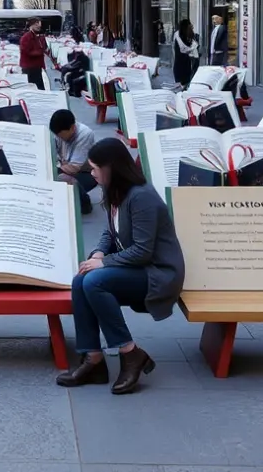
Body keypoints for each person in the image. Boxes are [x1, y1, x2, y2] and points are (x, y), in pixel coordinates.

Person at [57, 138, 185, 394]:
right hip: (137, 266)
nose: (91, 173)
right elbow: (111, 231)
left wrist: (103, 263)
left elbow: (142, 251)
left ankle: (130, 353)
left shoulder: (142, 197)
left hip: (158, 272)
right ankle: (92, 357)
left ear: (111, 168)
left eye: (94, 168)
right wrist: (98, 253)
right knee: (81, 279)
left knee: (95, 281)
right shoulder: (117, 190)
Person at [49, 109, 97, 214]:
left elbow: (73, 168)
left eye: (61, 136)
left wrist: (55, 168)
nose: (59, 138)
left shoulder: (85, 134)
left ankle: (84, 202)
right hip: (64, 168)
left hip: (87, 174)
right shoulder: (56, 133)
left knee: (61, 177)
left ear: (72, 128)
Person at [19, 18, 48, 90]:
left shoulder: (38, 37)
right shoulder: (26, 37)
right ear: (31, 26)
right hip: (30, 68)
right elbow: (26, 51)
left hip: (36, 67)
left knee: (39, 88)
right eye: (36, 24)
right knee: (33, 89)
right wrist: (40, 52)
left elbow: (44, 48)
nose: (38, 26)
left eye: (39, 24)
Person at [172, 19, 199, 87]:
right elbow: (194, 46)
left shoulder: (177, 34)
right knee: (187, 79)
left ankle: (182, 88)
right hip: (189, 60)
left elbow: (178, 49)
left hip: (181, 61)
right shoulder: (190, 34)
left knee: (182, 81)